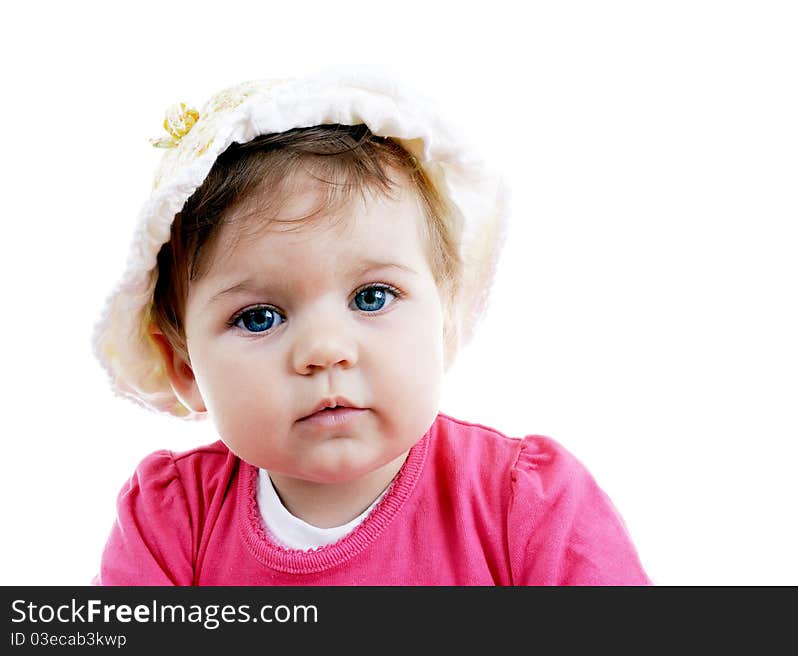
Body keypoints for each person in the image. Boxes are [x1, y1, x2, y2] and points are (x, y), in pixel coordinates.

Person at [92, 73, 651, 585]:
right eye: (259, 317)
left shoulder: (528, 505)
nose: (325, 351)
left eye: (372, 297)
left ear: (447, 321)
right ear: (184, 367)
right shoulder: (172, 524)